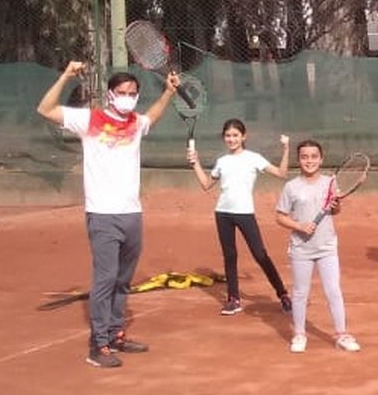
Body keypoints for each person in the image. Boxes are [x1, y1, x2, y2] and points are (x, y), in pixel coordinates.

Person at [36, 61, 182, 368]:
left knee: (123, 280)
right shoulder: (90, 119)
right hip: (102, 214)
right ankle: (97, 345)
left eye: (132, 93)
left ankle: (116, 334)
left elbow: (152, 117)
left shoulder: (136, 123)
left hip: (132, 214)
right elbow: (45, 109)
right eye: (122, 92)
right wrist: (66, 76)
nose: (128, 98)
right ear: (110, 95)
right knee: (105, 280)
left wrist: (168, 92)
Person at [186, 119, 292, 315]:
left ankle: (282, 293)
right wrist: (195, 163)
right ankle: (233, 299)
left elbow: (281, 173)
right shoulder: (222, 161)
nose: (231, 139)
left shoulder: (253, 158)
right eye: (228, 136)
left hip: (244, 214)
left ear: (243, 137)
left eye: (235, 135)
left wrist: (286, 149)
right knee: (230, 256)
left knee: (260, 255)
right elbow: (206, 184)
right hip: (223, 213)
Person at [274, 139, 365, 354]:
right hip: (301, 249)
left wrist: (337, 204)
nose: (309, 161)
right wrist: (299, 226)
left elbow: (335, 211)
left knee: (333, 291)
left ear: (321, 159)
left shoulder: (330, 183)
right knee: (300, 293)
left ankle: (342, 334)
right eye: (304, 157)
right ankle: (299, 334)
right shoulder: (291, 187)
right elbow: (280, 216)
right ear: (299, 160)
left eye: (314, 157)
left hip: (327, 247)